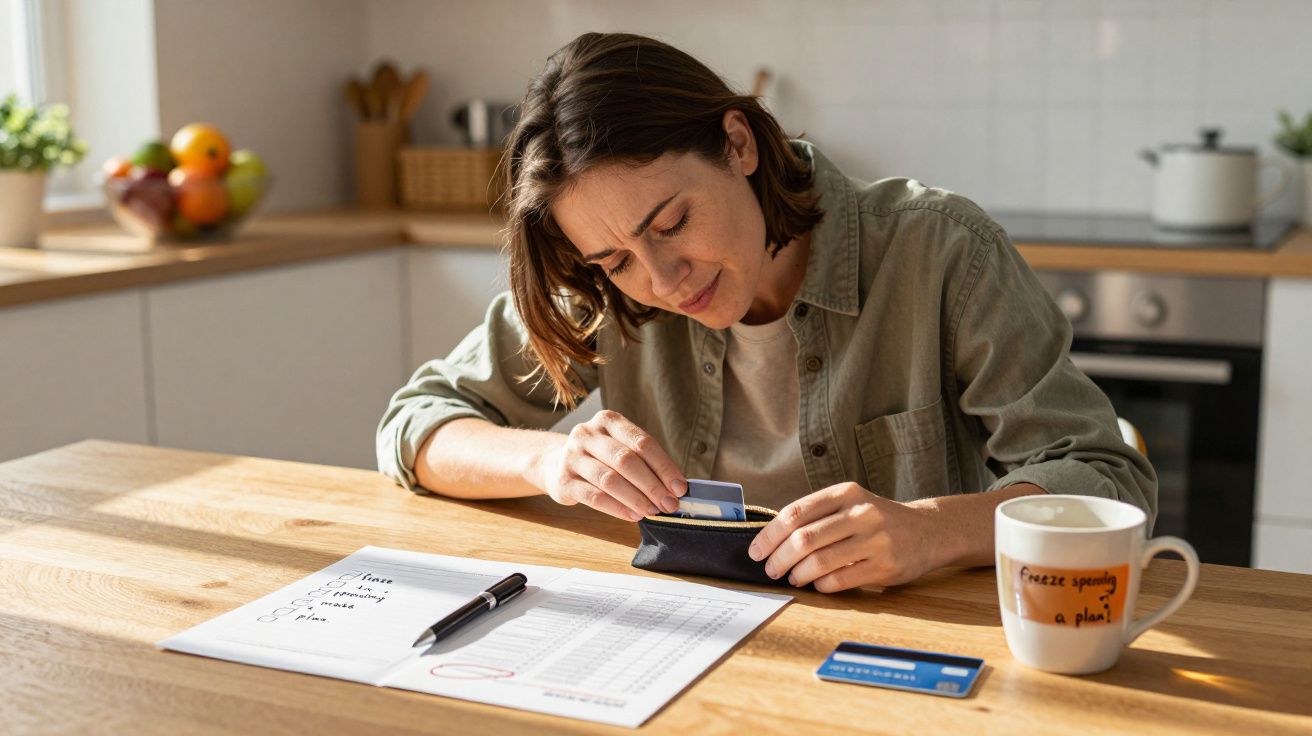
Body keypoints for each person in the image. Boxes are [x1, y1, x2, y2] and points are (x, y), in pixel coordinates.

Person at [377, 32, 1156, 593]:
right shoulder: (608, 288)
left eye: (672, 223)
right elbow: (415, 425)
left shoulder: (943, 252)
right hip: (691, 642)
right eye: (613, 259)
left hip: (906, 646)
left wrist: (931, 530)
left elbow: (1107, 480)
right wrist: (547, 462)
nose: (662, 279)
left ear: (738, 144)